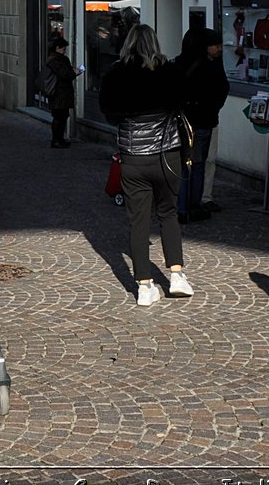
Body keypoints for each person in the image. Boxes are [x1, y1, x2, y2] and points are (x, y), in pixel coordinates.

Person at [99, 24, 193, 306]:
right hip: (167, 154)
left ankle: (144, 286)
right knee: (168, 213)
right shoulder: (169, 71)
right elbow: (185, 101)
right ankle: (176, 276)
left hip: (133, 156)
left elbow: (109, 113)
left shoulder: (115, 74)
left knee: (138, 221)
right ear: (155, 43)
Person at [175, 27, 230, 221]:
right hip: (202, 122)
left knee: (184, 164)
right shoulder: (210, 67)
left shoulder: (178, 62)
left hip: (182, 121)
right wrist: (212, 110)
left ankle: (181, 206)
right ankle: (193, 206)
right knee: (197, 164)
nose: (219, 49)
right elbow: (221, 89)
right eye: (215, 45)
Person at [45, 36, 82, 148]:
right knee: (59, 117)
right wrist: (75, 73)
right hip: (59, 92)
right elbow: (64, 74)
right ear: (57, 48)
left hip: (59, 92)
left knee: (61, 116)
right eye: (63, 48)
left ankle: (59, 139)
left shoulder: (54, 59)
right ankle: (57, 140)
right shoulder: (57, 60)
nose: (64, 50)